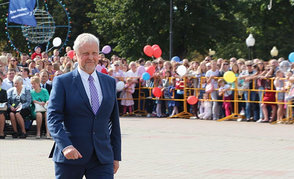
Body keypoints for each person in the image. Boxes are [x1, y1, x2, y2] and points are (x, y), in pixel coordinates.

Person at [47, 33, 121, 179]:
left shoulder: (109, 82)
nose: (91, 57)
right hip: (70, 156)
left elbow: (114, 122)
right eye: (85, 53)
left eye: (94, 53)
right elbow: (53, 118)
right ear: (75, 55)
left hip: (102, 158)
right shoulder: (63, 82)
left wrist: (116, 155)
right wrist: (65, 146)